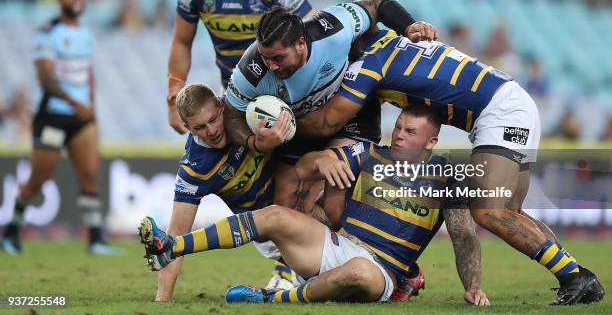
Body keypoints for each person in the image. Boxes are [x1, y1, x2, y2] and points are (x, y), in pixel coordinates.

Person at [296, 34, 605, 305]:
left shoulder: (369, 64)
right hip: (513, 102)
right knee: (511, 211)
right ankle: (573, 274)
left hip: (501, 112)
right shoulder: (398, 44)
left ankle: (576, 276)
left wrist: (288, 126)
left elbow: (328, 120)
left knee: (488, 210)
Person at [138, 105, 488, 305]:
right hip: (340, 245)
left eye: (410, 132)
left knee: (359, 272)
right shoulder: (369, 153)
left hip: (380, 271)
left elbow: (463, 236)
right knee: (275, 215)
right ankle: (172, 247)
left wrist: (472, 287)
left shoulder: (448, 174)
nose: (398, 135)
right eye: (397, 127)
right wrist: (319, 162)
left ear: (432, 141)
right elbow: (305, 167)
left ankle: (272, 299)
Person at [223, 0, 437, 213]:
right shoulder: (250, 73)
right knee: (287, 211)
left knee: (335, 208)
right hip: (300, 125)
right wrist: (254, 142)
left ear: (300, 44)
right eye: (265, 58)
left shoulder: (333, 28)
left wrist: (409, 25)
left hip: (351, 112)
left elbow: (376, 5)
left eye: (278, 58)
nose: (271, 67)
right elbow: (231, 116)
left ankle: (357, 231)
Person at [1, 0, 120, 256]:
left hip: (82, 117)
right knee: (39, 178)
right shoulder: (47, 32)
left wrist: (91, 109)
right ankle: (11, 233)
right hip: (53, 116)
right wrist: (71, 101)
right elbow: (45, 76)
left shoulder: (85, 34)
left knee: (90, 174)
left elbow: (88, 73)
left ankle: (96, 240)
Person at [167, 0, 315, 134]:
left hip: (282, 91)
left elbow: (312, 30)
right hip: (234, 95)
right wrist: (172, 100)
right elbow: (181, 42)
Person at [155, 82, 295, 301]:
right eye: (199, 128)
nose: (210, 131)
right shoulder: (195, 171)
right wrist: (162, 300)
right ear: (186, 127)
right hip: (271, 236)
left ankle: (286, 276)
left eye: (212, 120)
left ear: (222, 107)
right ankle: (287, 275)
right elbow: (175, 237)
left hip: (302, 201)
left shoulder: (249, 110)